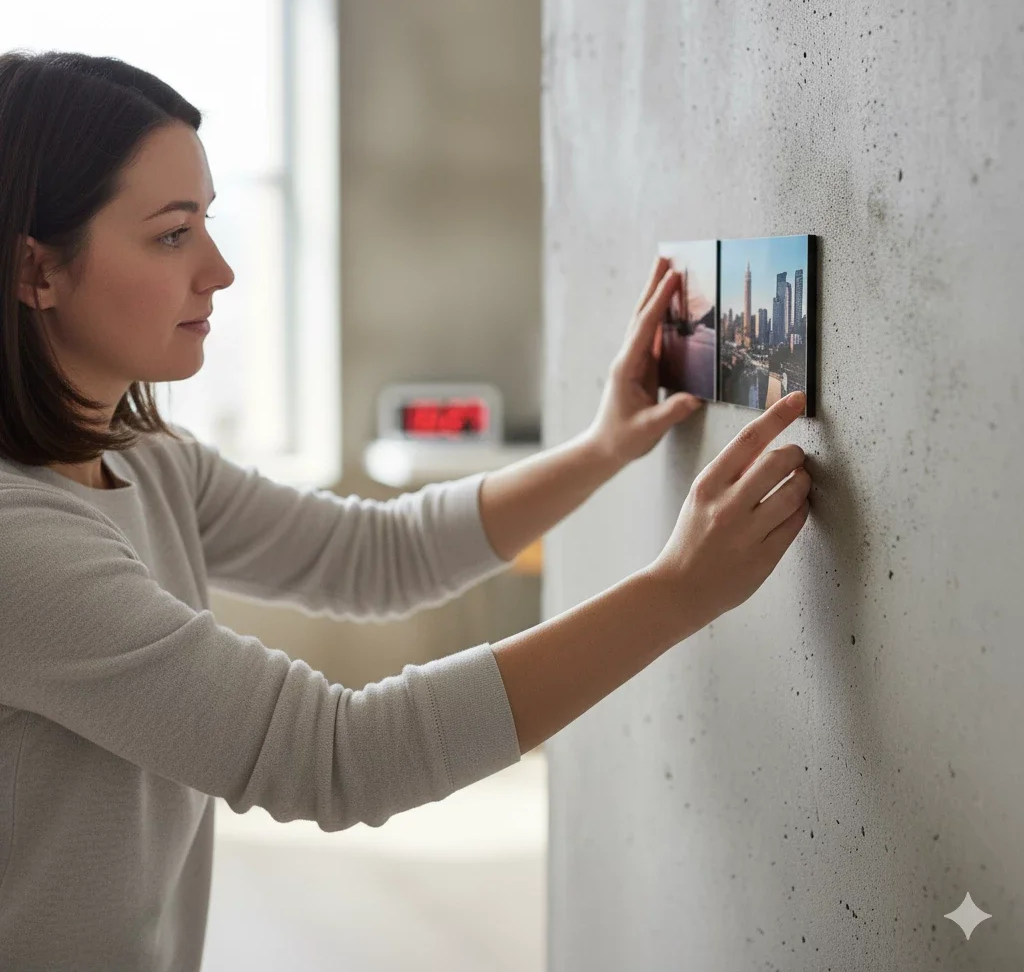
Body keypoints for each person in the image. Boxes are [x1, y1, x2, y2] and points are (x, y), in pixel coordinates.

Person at [0, 50, 812, 971]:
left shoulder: (148, 464)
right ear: (38, 272)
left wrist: (601, 447)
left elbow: (375, 556)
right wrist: (677, 593)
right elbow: (338, 756)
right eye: (172, 234)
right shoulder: (18, 547)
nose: (219, 270)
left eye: (210, 224)